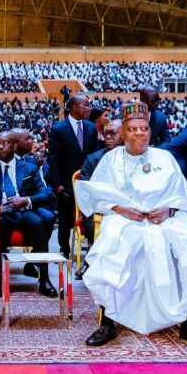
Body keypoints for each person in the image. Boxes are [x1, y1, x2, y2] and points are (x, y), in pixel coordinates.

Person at [74, 102, 187, 349]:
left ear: (151, 131)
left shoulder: (165, 157)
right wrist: (119, 209)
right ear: (123, 133)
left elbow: (182, 196)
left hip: (164, 219)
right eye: (133, 129)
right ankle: (108, 322)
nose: (139, 133)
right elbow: (95, 196)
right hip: (126, 219)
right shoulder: (110, 160)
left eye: (144, 129)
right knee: (110, 245)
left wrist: (169, 210)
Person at [0, 131, 56, 297]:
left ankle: (44, 279)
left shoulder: (29, 168)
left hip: (24, 211)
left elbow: (46, 194)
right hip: (1, 213)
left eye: (4, 143)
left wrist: (26, 200)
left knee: (38, 222)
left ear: (14, 146)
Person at [47, 94, 99, 257]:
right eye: (85, 105)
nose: (88, 108)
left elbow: (94, 155)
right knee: (64, 219)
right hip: (65, 183)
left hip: (87, 182)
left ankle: (91, 248)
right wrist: (57, 185)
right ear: (74, 107)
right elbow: (53, 159)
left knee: (88, 216)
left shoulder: (91, 128)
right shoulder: (58, 129)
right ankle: (64, 249)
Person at [74, 119, 123, 280]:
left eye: (112, 133)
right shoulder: (93, 159)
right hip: (98, 207)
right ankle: (91, 261)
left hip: (125, 208)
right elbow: (86, 190)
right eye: (105, 133)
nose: (107, 137)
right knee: (92, 223)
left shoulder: (131, 158)